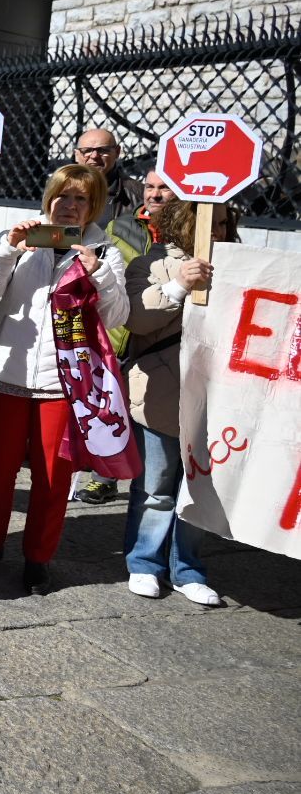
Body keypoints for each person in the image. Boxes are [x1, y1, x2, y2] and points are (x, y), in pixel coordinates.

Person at [0, 164, 128, 595]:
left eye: (81, 199)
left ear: (93, 206)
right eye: (63, 196)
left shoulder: (104, 252)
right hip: (5, 375)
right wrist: (7, 247)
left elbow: (117, 318)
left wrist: (100, 276)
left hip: (63, 385)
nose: (70, 207)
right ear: (49, 198)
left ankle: (38, 557)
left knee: (54, 476)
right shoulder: (23, 237)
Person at [121, 198, 234, 608]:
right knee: (154, 489)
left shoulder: (235, 267)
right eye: (210, 222)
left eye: (224, 223)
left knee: (198, 489)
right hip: (160, 400)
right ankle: (144, 563)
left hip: (214, 401)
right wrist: (180, 285)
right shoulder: (150, 264)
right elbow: (136, 318)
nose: (218, 230)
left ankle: (188, 570)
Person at [71, 129, 148, 505]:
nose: (94, 157)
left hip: (114, 299)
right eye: (87, 150)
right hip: (71, 304)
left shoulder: (134, 194)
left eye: (103, 151)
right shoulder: (67, 182)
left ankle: (105, 473)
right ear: (76, 153)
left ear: (116, 154)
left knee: (110, 395)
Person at [136, 169, 175, 246]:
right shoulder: (117, 228)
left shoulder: (195, 230)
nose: (155, 195)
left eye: (164, 187)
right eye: (149, 187)